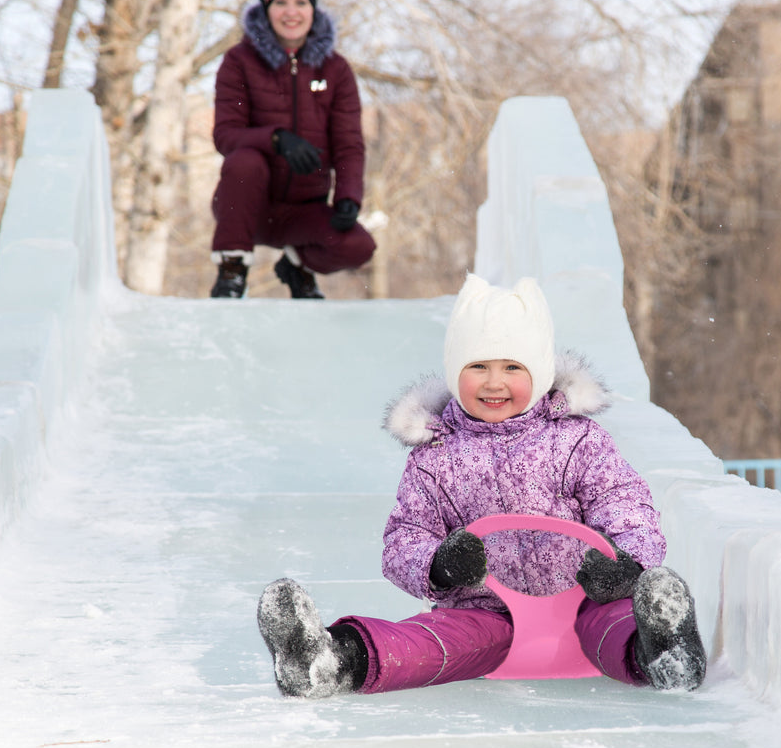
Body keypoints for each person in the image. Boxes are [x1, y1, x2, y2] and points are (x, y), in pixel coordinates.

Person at [256, 275, 707, 698]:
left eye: (513, 366)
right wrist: (440, 566)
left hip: (585, 599)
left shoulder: (578, 441)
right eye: (478, 366)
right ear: (456, 374)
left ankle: (664, 654)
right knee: (432, 641)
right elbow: (405, 537)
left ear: (541, 371)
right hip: (485, 610)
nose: (494, 382)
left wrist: (628, 566)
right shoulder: (435, 457)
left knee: (616, 625)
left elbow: (624, 504)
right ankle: (330, 659)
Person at [208, 0, 375, 299]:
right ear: (267, 8)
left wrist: (348, 197)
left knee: (359, 246)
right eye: (282, 2)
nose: (292, 12)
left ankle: (297, 264)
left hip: (304, 209)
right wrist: (275, 139)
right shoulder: (239, 61)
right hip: (245, 207)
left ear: (314, 9)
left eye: (301, 2)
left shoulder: (336, 69)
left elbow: (348, 145)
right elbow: (226, 134)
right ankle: (232, 268)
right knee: (245, 161)